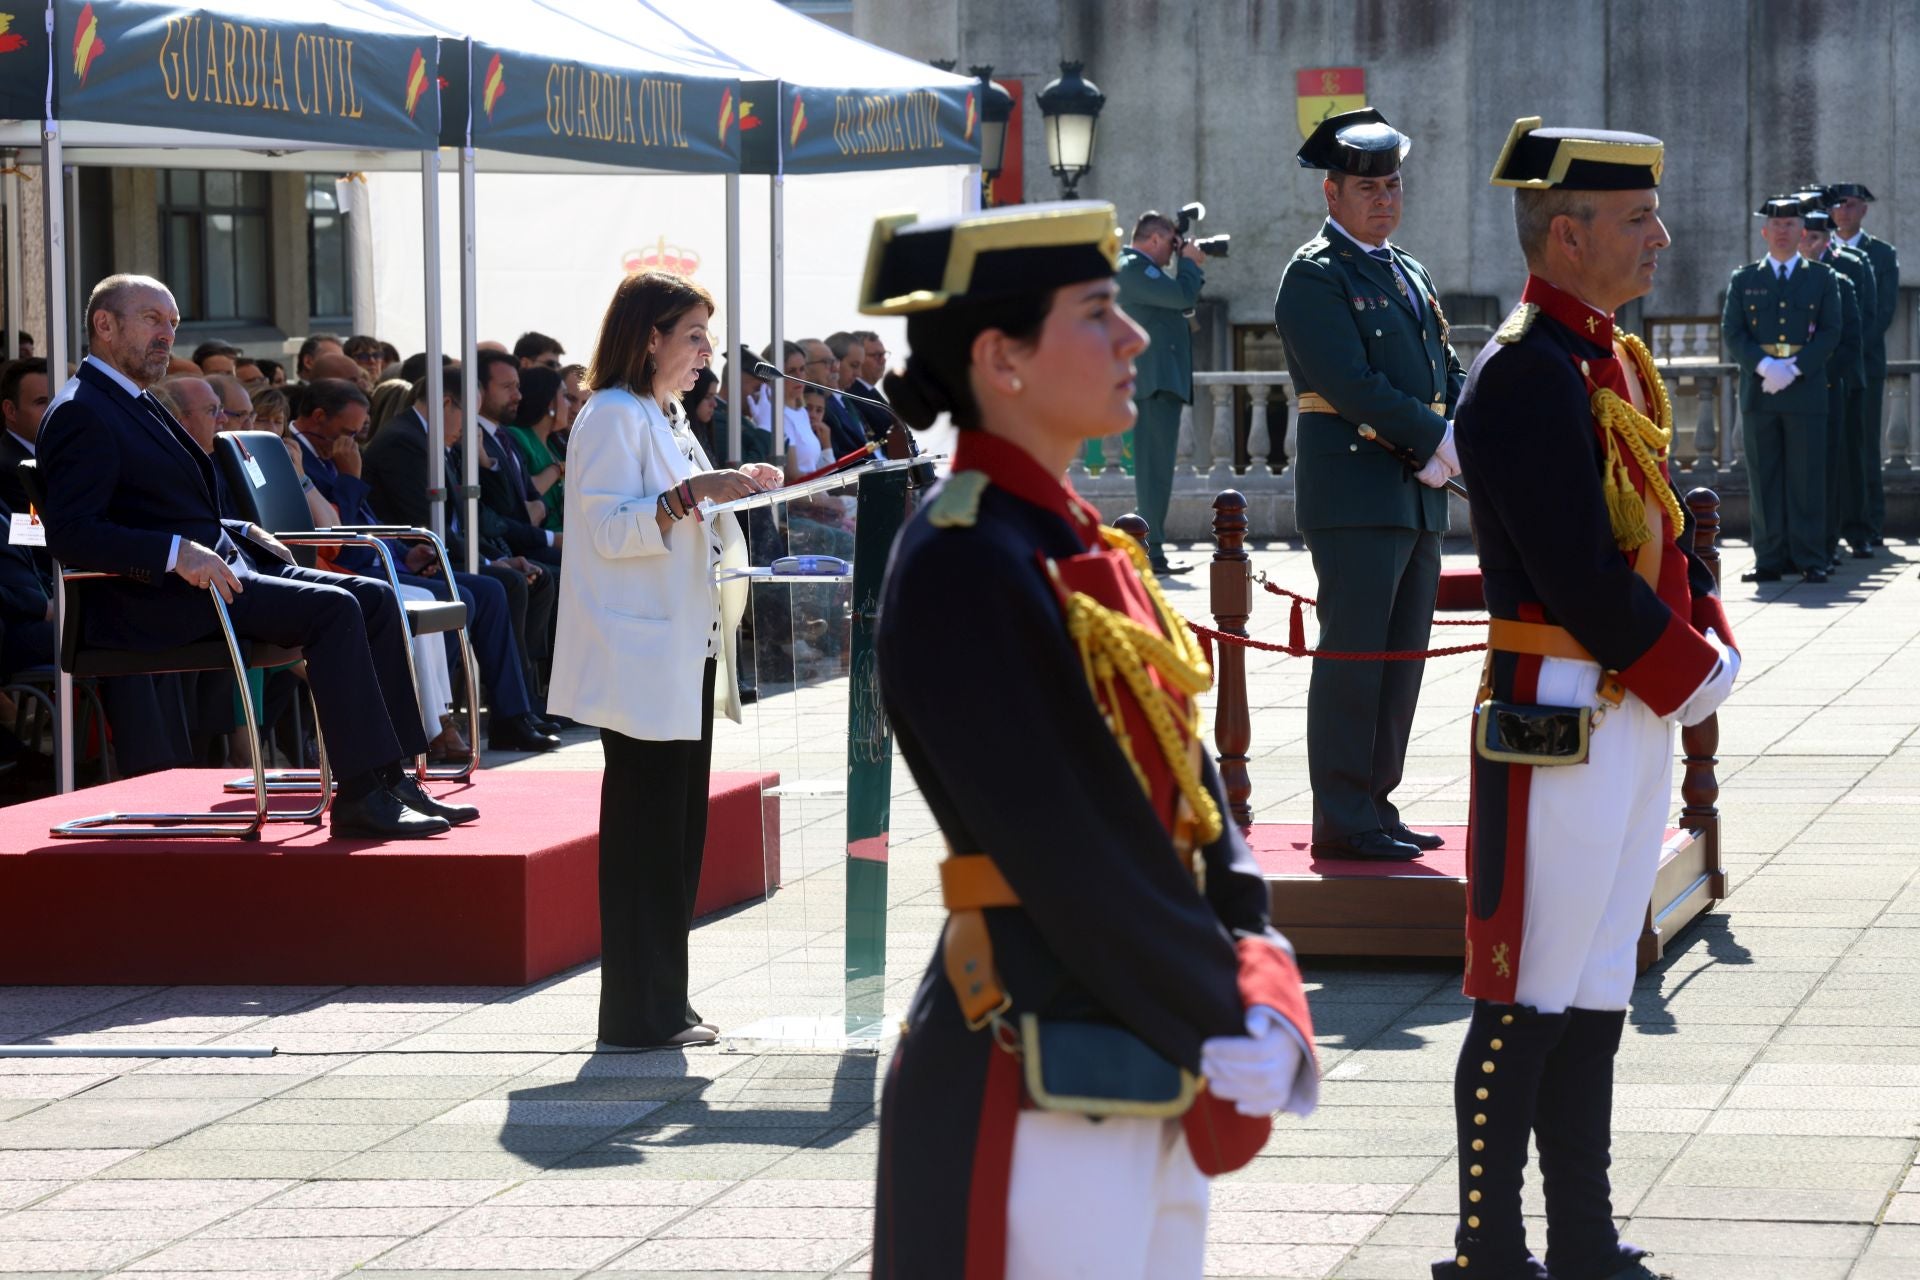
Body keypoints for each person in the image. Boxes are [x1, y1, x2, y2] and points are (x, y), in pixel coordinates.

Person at [860, 201, 1317, 1280]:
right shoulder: (964, 556)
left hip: (1140, 1036)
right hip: (1033, 1058)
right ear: (1001, 359)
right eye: (1098, 311)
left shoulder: (1073, 538)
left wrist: (1261, 967)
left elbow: (1192, 797)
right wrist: (1228, 1000)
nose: (1135, 338)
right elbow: (1070, 844)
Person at [1443, 118, 1740, 1280]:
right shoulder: (1525, 369)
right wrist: (1687, 669)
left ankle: (1579, 1233)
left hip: (1623, 704)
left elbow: (1657, 524)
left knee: (1598, 979)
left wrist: (1701, 630)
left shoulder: (1604, 356)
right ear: (1565, 235)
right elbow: (1572, 567)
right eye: (1636, 219)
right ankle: (1488, 1244)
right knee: (1528, 983)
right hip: (1557, 704)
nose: (1660, 237)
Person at [39, 275, 463, 837]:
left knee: (375, 596)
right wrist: (175, 553)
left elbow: (165, 506)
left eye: (173, 323)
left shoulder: (131, 399)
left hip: (213, 578)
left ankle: (392, 778)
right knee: (334, 608)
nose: (167, 335)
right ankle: (361, 797)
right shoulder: (82, 410)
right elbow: (72, 533)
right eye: (152, 320)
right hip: (151, 600)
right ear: (105, 324)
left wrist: (240, 529)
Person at [547, 269, 783, 1048]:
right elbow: (610, 531)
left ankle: (663, 1002)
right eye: (694, 336)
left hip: (684, 644)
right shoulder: (611, 414)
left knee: (676, 837)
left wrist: (737, 487)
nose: (706, 353)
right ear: (650, 338)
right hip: (639, 653)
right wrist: (695, 494)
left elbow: (689, 507)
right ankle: (636, 1014)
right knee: (646, 838)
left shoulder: (663, 412)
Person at [1274, 107, 1462, 863]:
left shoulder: (1407, 269)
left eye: (1393, 185)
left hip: (1416, 492)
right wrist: (1435, 438)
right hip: (1355, 495)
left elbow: (1444, 365)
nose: (1384, 199)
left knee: (1400, 661)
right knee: (1354, 661)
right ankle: (1344, 816)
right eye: (1367, 188)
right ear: (1332, 194)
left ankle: (1377, 805)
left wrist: (1457, 432)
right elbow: (1349, 382)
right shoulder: (1315, 275)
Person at [359, 376, 561, 755]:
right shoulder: (406, 441)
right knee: (481, 591)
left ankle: (512, 714)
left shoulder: (433, 439)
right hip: (412, 558)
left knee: (496, 587)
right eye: (467, 416)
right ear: (446, 403)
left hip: (429, 554)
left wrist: (491, 558)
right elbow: (425, 523)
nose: (470, 428)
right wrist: (488, 561)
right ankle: (438, 717)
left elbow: (465, 519)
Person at [1723, 195, 1841, 584]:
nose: (1782, 231)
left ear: (1802, 231)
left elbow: (1830, 332)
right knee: (1764, 477)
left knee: (1807, 477)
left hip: (1804, 389)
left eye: (1790, 225)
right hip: (1760, 390)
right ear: (1764, 232)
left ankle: (1811, 557)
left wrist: (1793, 368)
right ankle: (1770, 558)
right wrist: (1765, 366)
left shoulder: (1821, 278)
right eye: (1776, 225)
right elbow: (1733, 331)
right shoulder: (1745, 279)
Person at [1115, 210, 1207, 575]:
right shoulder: (1132, 268)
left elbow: (1180, 298)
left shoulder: (1143, 270)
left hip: (1159, 383)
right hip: (1152, 385)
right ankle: (1149, 553)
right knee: (1153, 474)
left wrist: (1187, 264)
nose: (1174, 250)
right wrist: (1190, 264)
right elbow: (1183, 296)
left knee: (1158, 473)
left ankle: (1151, 550)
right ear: (1153, 239)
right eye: (1171, 242)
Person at [1800, 202, 1873, 574]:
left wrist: (1825, 373)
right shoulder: (1795, 274)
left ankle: (1855, 531)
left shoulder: (1850, 268)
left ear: (1827, 239)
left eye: (1815, 237)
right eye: (1805, 237)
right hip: (1801, 384)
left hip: (1840, 378)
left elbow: (1864, 324)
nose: (1809, 244)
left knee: (1847, 460)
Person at [1827, 182, 1898, 555]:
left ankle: (1869, 524)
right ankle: (1833, 523)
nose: (1843, 211)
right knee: (1829, 447)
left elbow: (1880, 314)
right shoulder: (1818, 248)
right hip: (1825, 369)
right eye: (1838, 205)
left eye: (1851, 205)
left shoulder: (1881, 254)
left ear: (1864, 210)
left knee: (1864, 445)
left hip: (1863, 366)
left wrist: (1847, 352)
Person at [474, 350, 562, 565]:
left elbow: (532, 494)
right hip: (506, 550)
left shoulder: (506, 436)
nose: (518, 396)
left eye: (517, 386)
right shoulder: (470, 439)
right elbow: (496, 510)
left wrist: (539, 507)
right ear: (478, 390)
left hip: (530, 543)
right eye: (507, 387)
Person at [507, 364, 567, 533]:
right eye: (565, 396)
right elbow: (524, 491)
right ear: (550, 404)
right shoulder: (516, 436)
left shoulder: (554, 443)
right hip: (542, 538)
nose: (569, 405)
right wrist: (559, 469)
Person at [0, 357, 50, 515]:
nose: (53, 409)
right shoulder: (9, 470)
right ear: (10, 411)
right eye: (41, 402)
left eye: (58, 400)